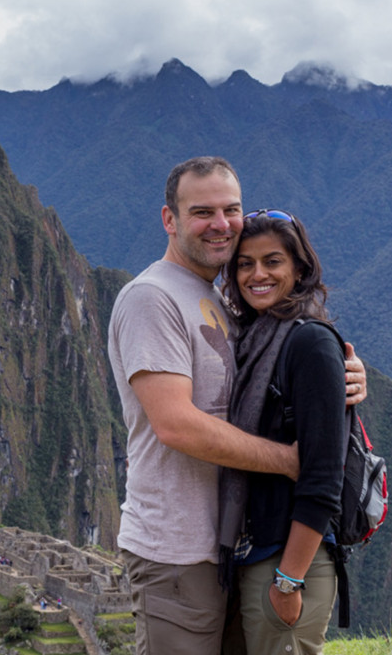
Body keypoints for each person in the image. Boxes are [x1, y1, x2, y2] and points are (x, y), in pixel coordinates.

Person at [107, 157, 366, 654]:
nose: (221, 225)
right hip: (177, 550)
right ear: (170, 219)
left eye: (231, 210)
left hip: (232, 549)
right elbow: (176, 425)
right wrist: (290, 460)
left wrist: (345, 376)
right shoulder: (151, 298)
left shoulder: (226, 305)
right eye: (202, 211)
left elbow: (289, 374)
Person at [221, 210, 347, 654]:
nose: (257, 274)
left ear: (299, 268)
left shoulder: (309, 344)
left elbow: (323, 478)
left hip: (288, 561)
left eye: (272, 262)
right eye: (244, 263)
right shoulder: (249, 340)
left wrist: (288, 582)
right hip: (250, 556)